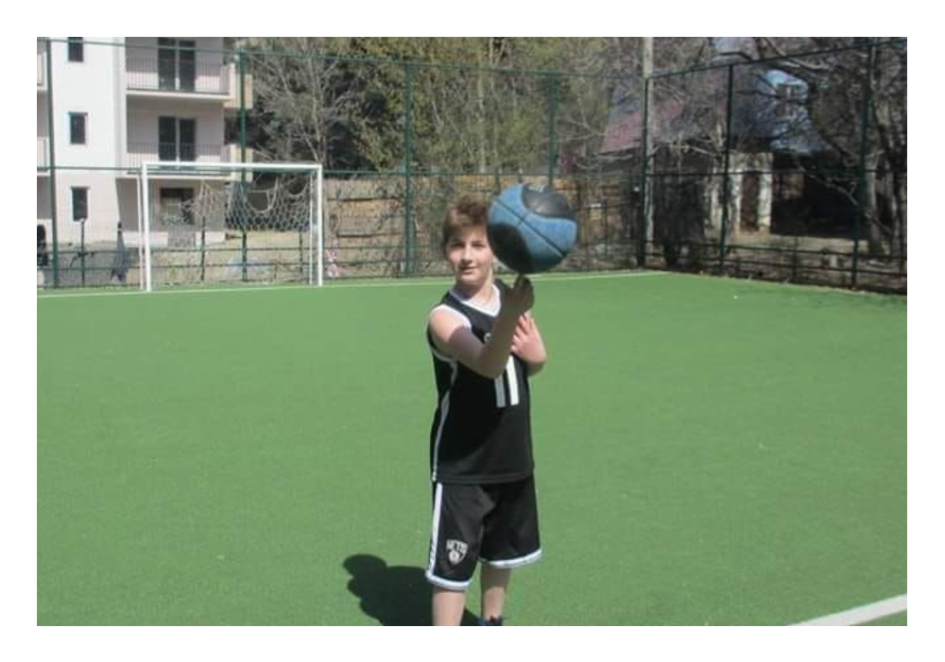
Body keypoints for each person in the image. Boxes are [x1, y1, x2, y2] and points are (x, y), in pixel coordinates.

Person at [424, 195, 547, 626]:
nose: (467, 256)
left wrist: (536, 353)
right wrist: (511, 314)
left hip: (511, 455)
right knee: (452, 567)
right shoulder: (444, 317)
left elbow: (530, 363)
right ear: (445, 251)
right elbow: (489, 364)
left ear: (496, 249)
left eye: (478, 244)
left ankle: (491, 624)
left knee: (501, 553)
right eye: (457, 245)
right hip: (464, 463)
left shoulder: (508, 301)